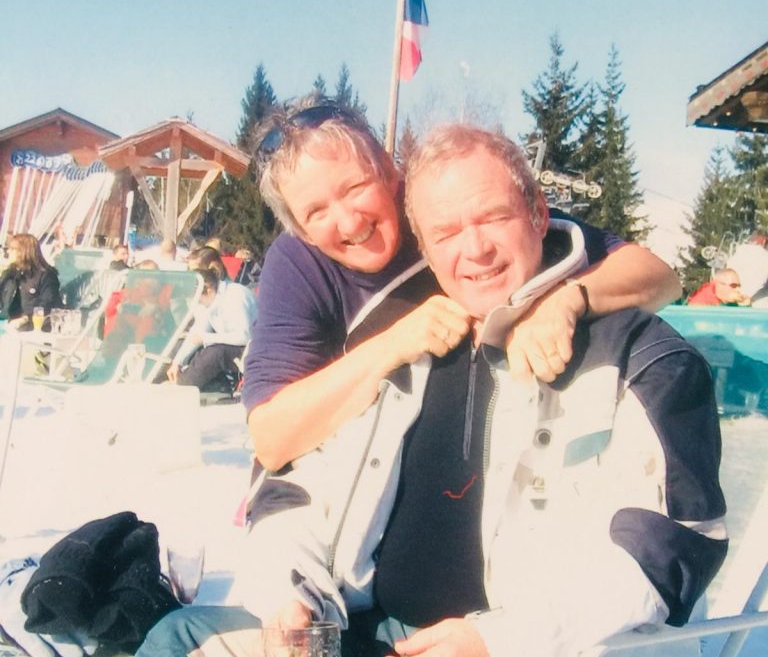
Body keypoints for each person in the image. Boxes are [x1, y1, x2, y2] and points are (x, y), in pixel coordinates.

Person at [14, 125, 725, 657]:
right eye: (446, 232)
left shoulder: (641, 358)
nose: (474, 249)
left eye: (491, 218)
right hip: (378, 652)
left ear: (539, 213)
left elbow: (659, 559)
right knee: (186, 649)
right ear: (424, 241)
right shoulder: (410, 347)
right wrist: (293, 594)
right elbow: (295, 485)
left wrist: (494, 648)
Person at [242, 99, 682, 472]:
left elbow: (659, 277)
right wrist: (393, 344)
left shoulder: (445, 200)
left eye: (355, 187)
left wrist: (564, 301)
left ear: (389, 172)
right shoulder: (299, 264)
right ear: (299, 229)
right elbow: (271, 439)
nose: (348, 221)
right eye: (316, 212)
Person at [167, 266, 257, 392]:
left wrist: (206, 338)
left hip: (253, 348)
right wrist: (177, 362)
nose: (194, 301)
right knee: (179, 346)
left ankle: (182, 388)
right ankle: (165, 379)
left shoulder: (235, 296)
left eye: (195, 297)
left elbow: (244, 336)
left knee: (215, 353)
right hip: (232, 345)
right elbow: (197, 332)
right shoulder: (209, 302)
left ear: (208, 289)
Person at [0, 233, 61, 331]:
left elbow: (47, 304)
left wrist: (25, 318)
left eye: (12, 249)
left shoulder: (46, 275)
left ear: (24, 251)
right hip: (8, 323)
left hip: (34, 326)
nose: (8, 251)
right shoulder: (9, 274)